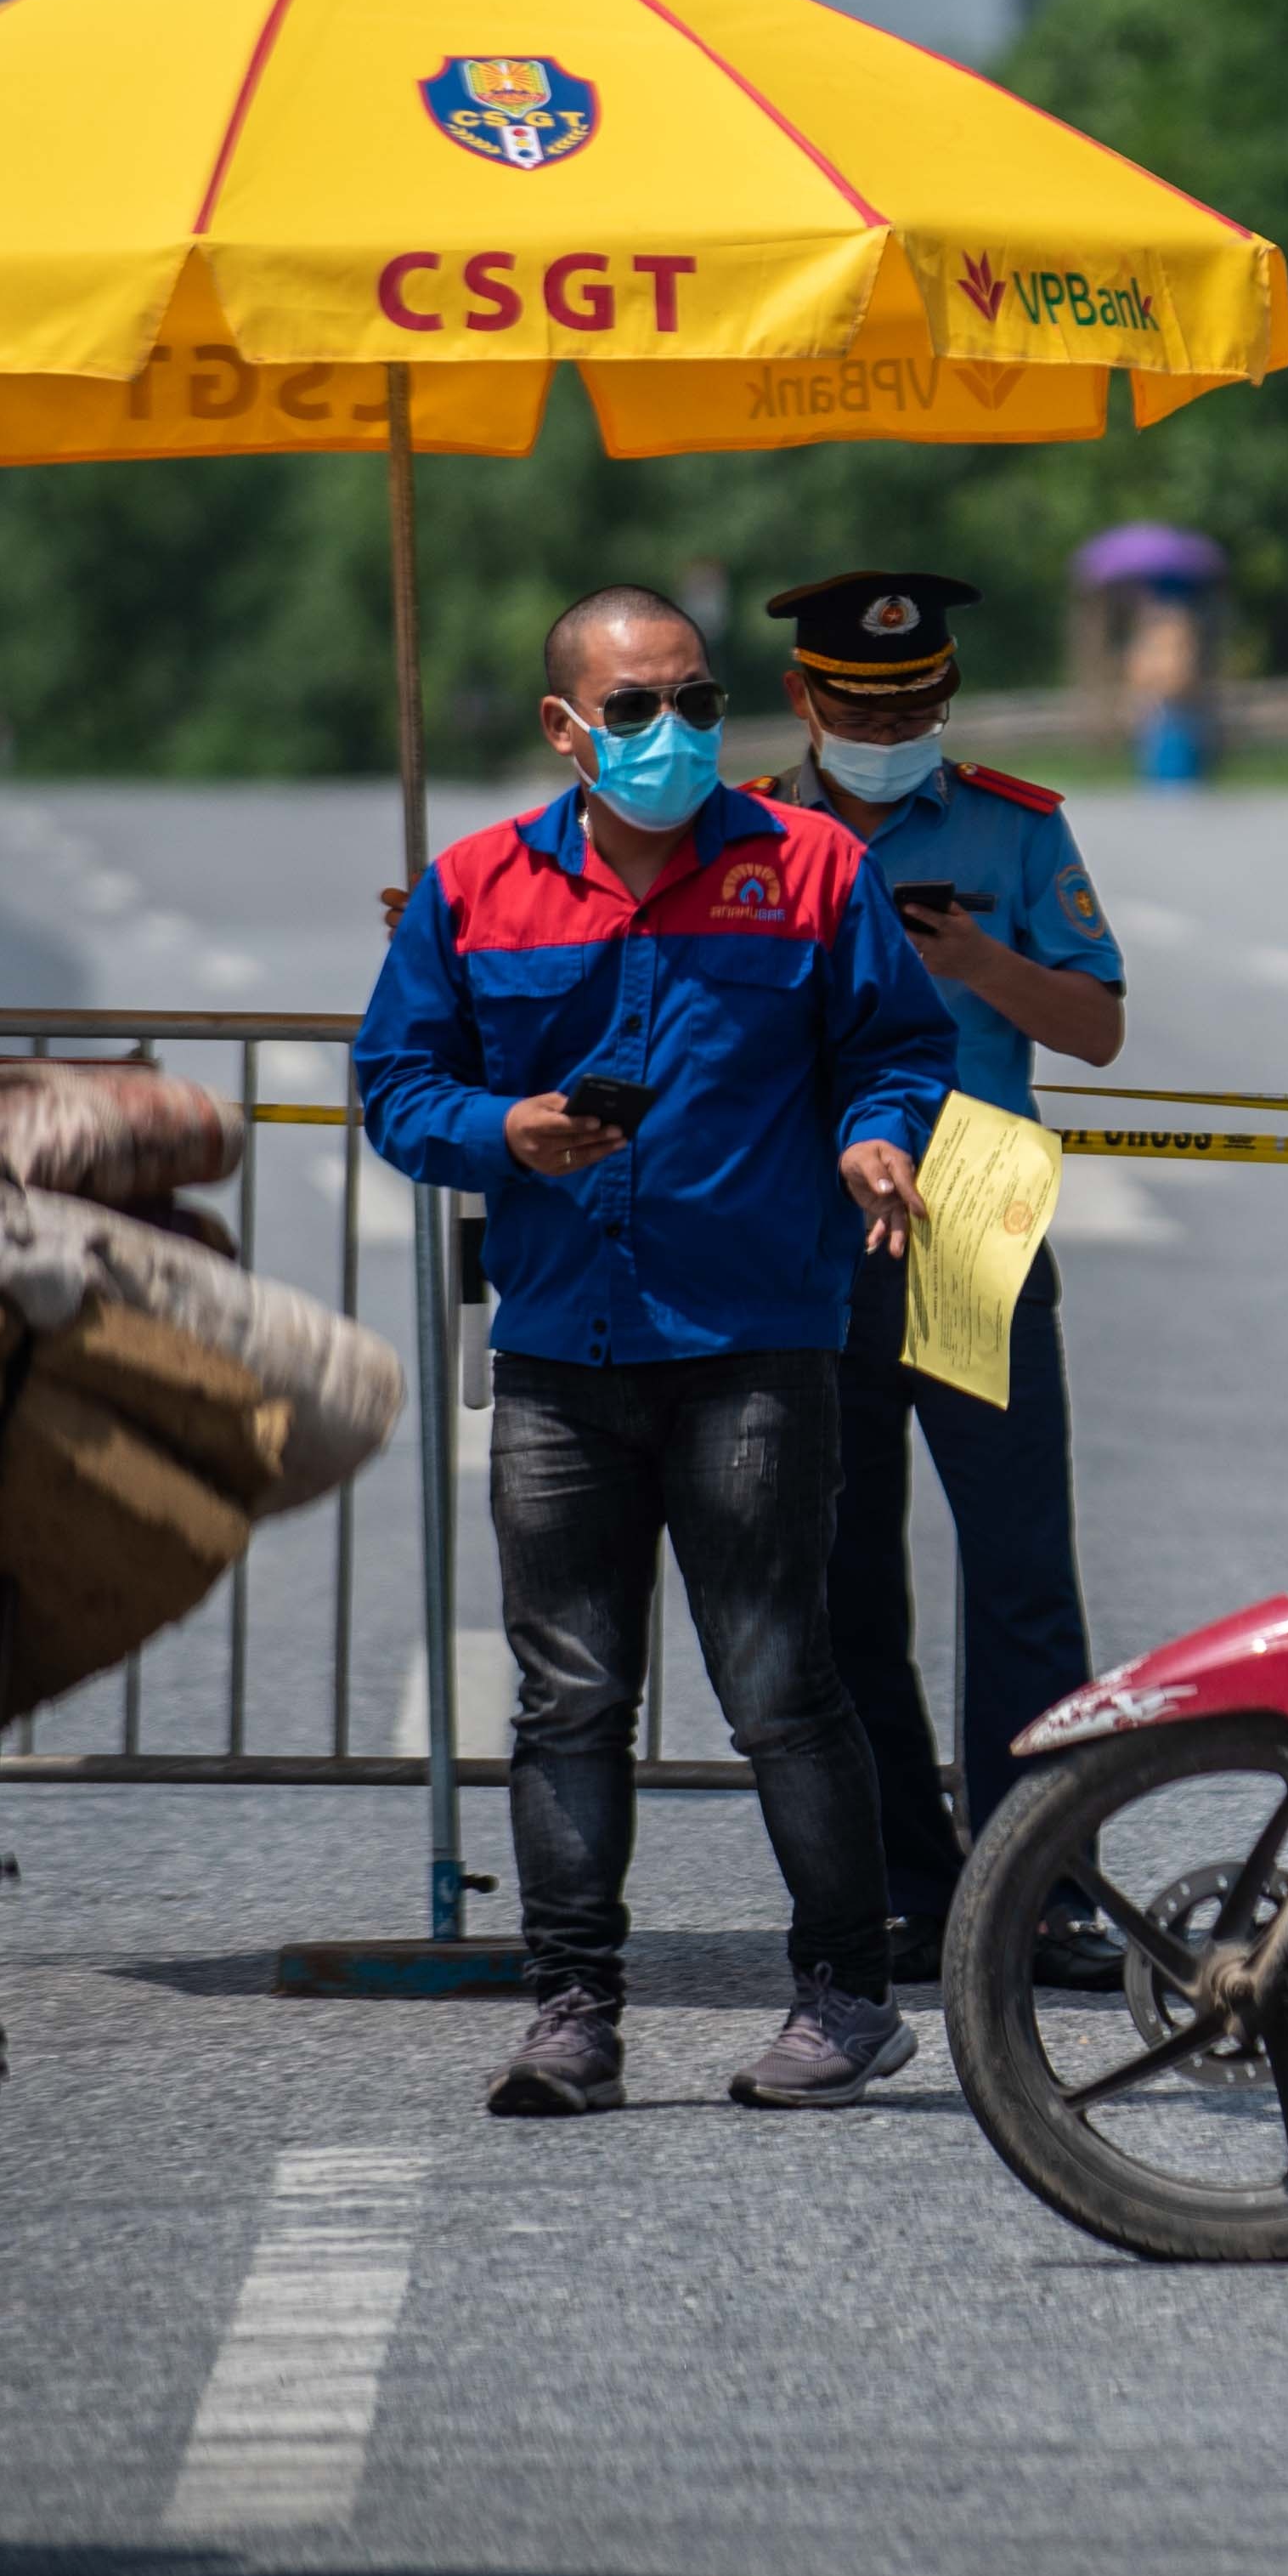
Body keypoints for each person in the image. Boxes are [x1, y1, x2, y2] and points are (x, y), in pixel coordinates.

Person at [353, 583, 956, 2121]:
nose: (673, 733)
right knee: (568, 1695)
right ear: (566, 730)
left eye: (695, 700)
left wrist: (879, 1140)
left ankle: (844, 1996)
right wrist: (507, 1132)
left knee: (777, 1681)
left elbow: (897, 1048)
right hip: (562, 1349)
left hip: (754, 1338)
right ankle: (571, 2010)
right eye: (635, 711)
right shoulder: (475, 889)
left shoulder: (811, 867)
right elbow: (397, 1084)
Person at [753, 569, 1131, 1989]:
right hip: (805, 1224)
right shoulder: (747, 832)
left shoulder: (1014, 827)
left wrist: (979, 959)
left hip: (974, 1212)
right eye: (865, 705)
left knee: (1022, 1575)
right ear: (805, 699)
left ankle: (1047, 1887)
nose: (896, 724)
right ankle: (911, 1885)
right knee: (843, 1581)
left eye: (921, 702)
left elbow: (1095, 1025)